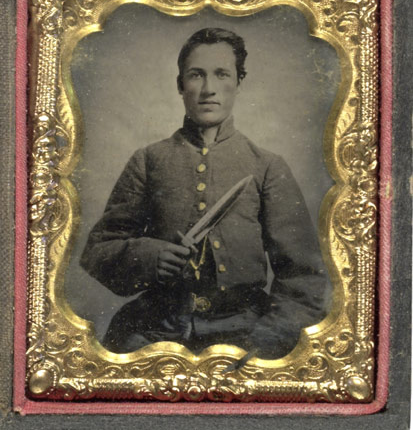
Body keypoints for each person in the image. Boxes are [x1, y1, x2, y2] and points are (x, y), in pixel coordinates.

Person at [80, 27, 329, 359]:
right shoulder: (149, 160)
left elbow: (303, 280)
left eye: (222, 74)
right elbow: (98, 251)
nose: (209, 89)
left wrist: (263, 342)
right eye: (196, 75)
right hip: (155, 330)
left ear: (239, 82)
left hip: (245, 331)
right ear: (180, 85)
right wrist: (151, 256)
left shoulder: (267, 167)